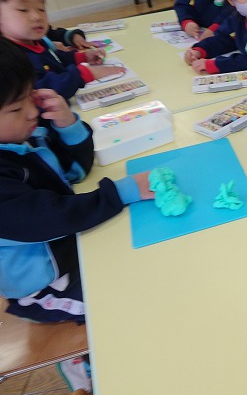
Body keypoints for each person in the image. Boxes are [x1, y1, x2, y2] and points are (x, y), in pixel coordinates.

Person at [0, 36, 154, 324]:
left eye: (30, 96)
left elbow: (75, 172)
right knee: (131, 298)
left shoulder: (20, 135)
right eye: (16, 109)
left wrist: (68, 126)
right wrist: (120, 193)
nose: (32, 112)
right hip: (46, 286)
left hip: (76, 241)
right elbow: (49, 217)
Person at [0, 0, 122, 101]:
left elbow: (55, 60)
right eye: (23, 9)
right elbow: (43, 93)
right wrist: (83, 74)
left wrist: (82, 57)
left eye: (41, 9)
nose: (37, 16)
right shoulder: (11, 60)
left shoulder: (35, 41)